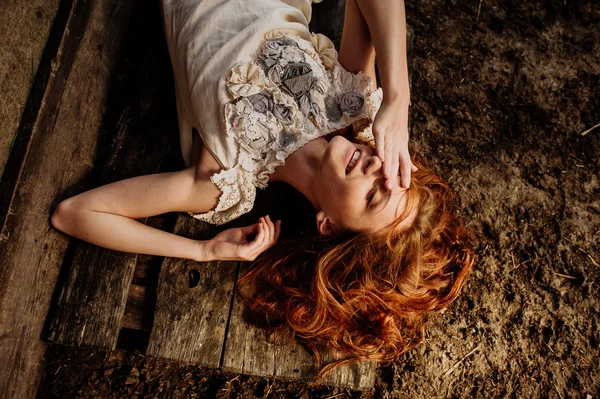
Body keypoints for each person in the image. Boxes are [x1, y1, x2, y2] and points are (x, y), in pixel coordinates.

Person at [50, 0, 474, 377]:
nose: (377, 167)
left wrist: (202, 250)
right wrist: (398, 97)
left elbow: (73, 213)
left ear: (328, 227)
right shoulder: (350, 102)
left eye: (374, 194)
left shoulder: (227, 178)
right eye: (392, 175)